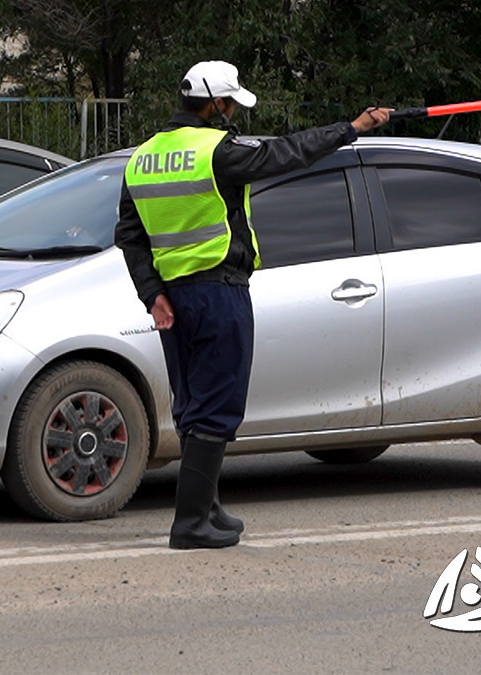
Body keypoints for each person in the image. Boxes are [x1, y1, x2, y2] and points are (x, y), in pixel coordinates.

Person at [114, 60, 392, 550]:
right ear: (216, 104)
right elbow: (288, 154)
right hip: (218, 291)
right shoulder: (217, 151)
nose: (231, 113)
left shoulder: (143, 157)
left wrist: (152, 294)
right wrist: (351, 128)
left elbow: (129, 237)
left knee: (192, 404)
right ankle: (191, 523)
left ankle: (206, 506)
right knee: (217, 405)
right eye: (230, 104)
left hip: (173, 299)